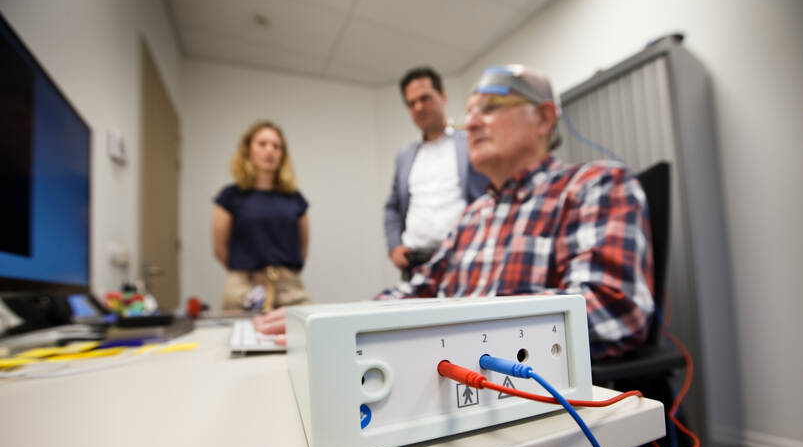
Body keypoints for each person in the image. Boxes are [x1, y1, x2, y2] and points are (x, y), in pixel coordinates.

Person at [257, 65, 654, 359]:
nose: (472, 123)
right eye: (470, 112)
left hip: (534, 407)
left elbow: (610, 309)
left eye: (492, 107)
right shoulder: (474, 216)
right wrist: (330, 321)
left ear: (545, 118)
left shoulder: (593, 186)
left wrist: (449, 333)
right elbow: (418, 290)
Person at [385, 66, 490, 280]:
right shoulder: (405, 156)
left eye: (425, 98)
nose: (419, 107)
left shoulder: (470, 142)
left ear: (442, 97)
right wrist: (394, 246)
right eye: (411, 103)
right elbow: (392, 208)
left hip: (463, 260)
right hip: (415, 264)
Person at [212, 120, 311, 311]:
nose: (270, 151)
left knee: (307, 333)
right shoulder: (230, 197)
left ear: (282, 155)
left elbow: (303, 249)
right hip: (243, 289)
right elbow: (220, 250)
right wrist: (250, 273)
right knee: (239, 338)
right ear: (248, 149)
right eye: (262, 144)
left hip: (289, 289)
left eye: (276, 146)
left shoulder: (295, 199)